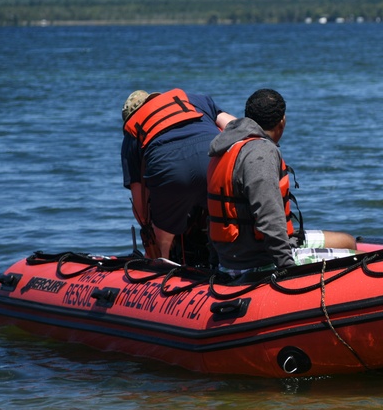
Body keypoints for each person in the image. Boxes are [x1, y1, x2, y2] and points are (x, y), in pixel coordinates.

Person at [207, 88, 356, 274]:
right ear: (282, 121)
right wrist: (288, 268)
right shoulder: (261, 153)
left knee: (347, 241)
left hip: (232, 255)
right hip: (257, 262)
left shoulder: (226, 146)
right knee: (355, 256)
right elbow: (268, 217)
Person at [121, 88, 235, 263]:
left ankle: (162, 267)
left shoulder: (132, 130)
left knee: (161, 234)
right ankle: (230, 264)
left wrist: (152, 227)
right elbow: (234, 126)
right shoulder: (193, 99)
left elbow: (140, 205)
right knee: (221, 212)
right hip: (216, 158)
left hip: (171, 169)